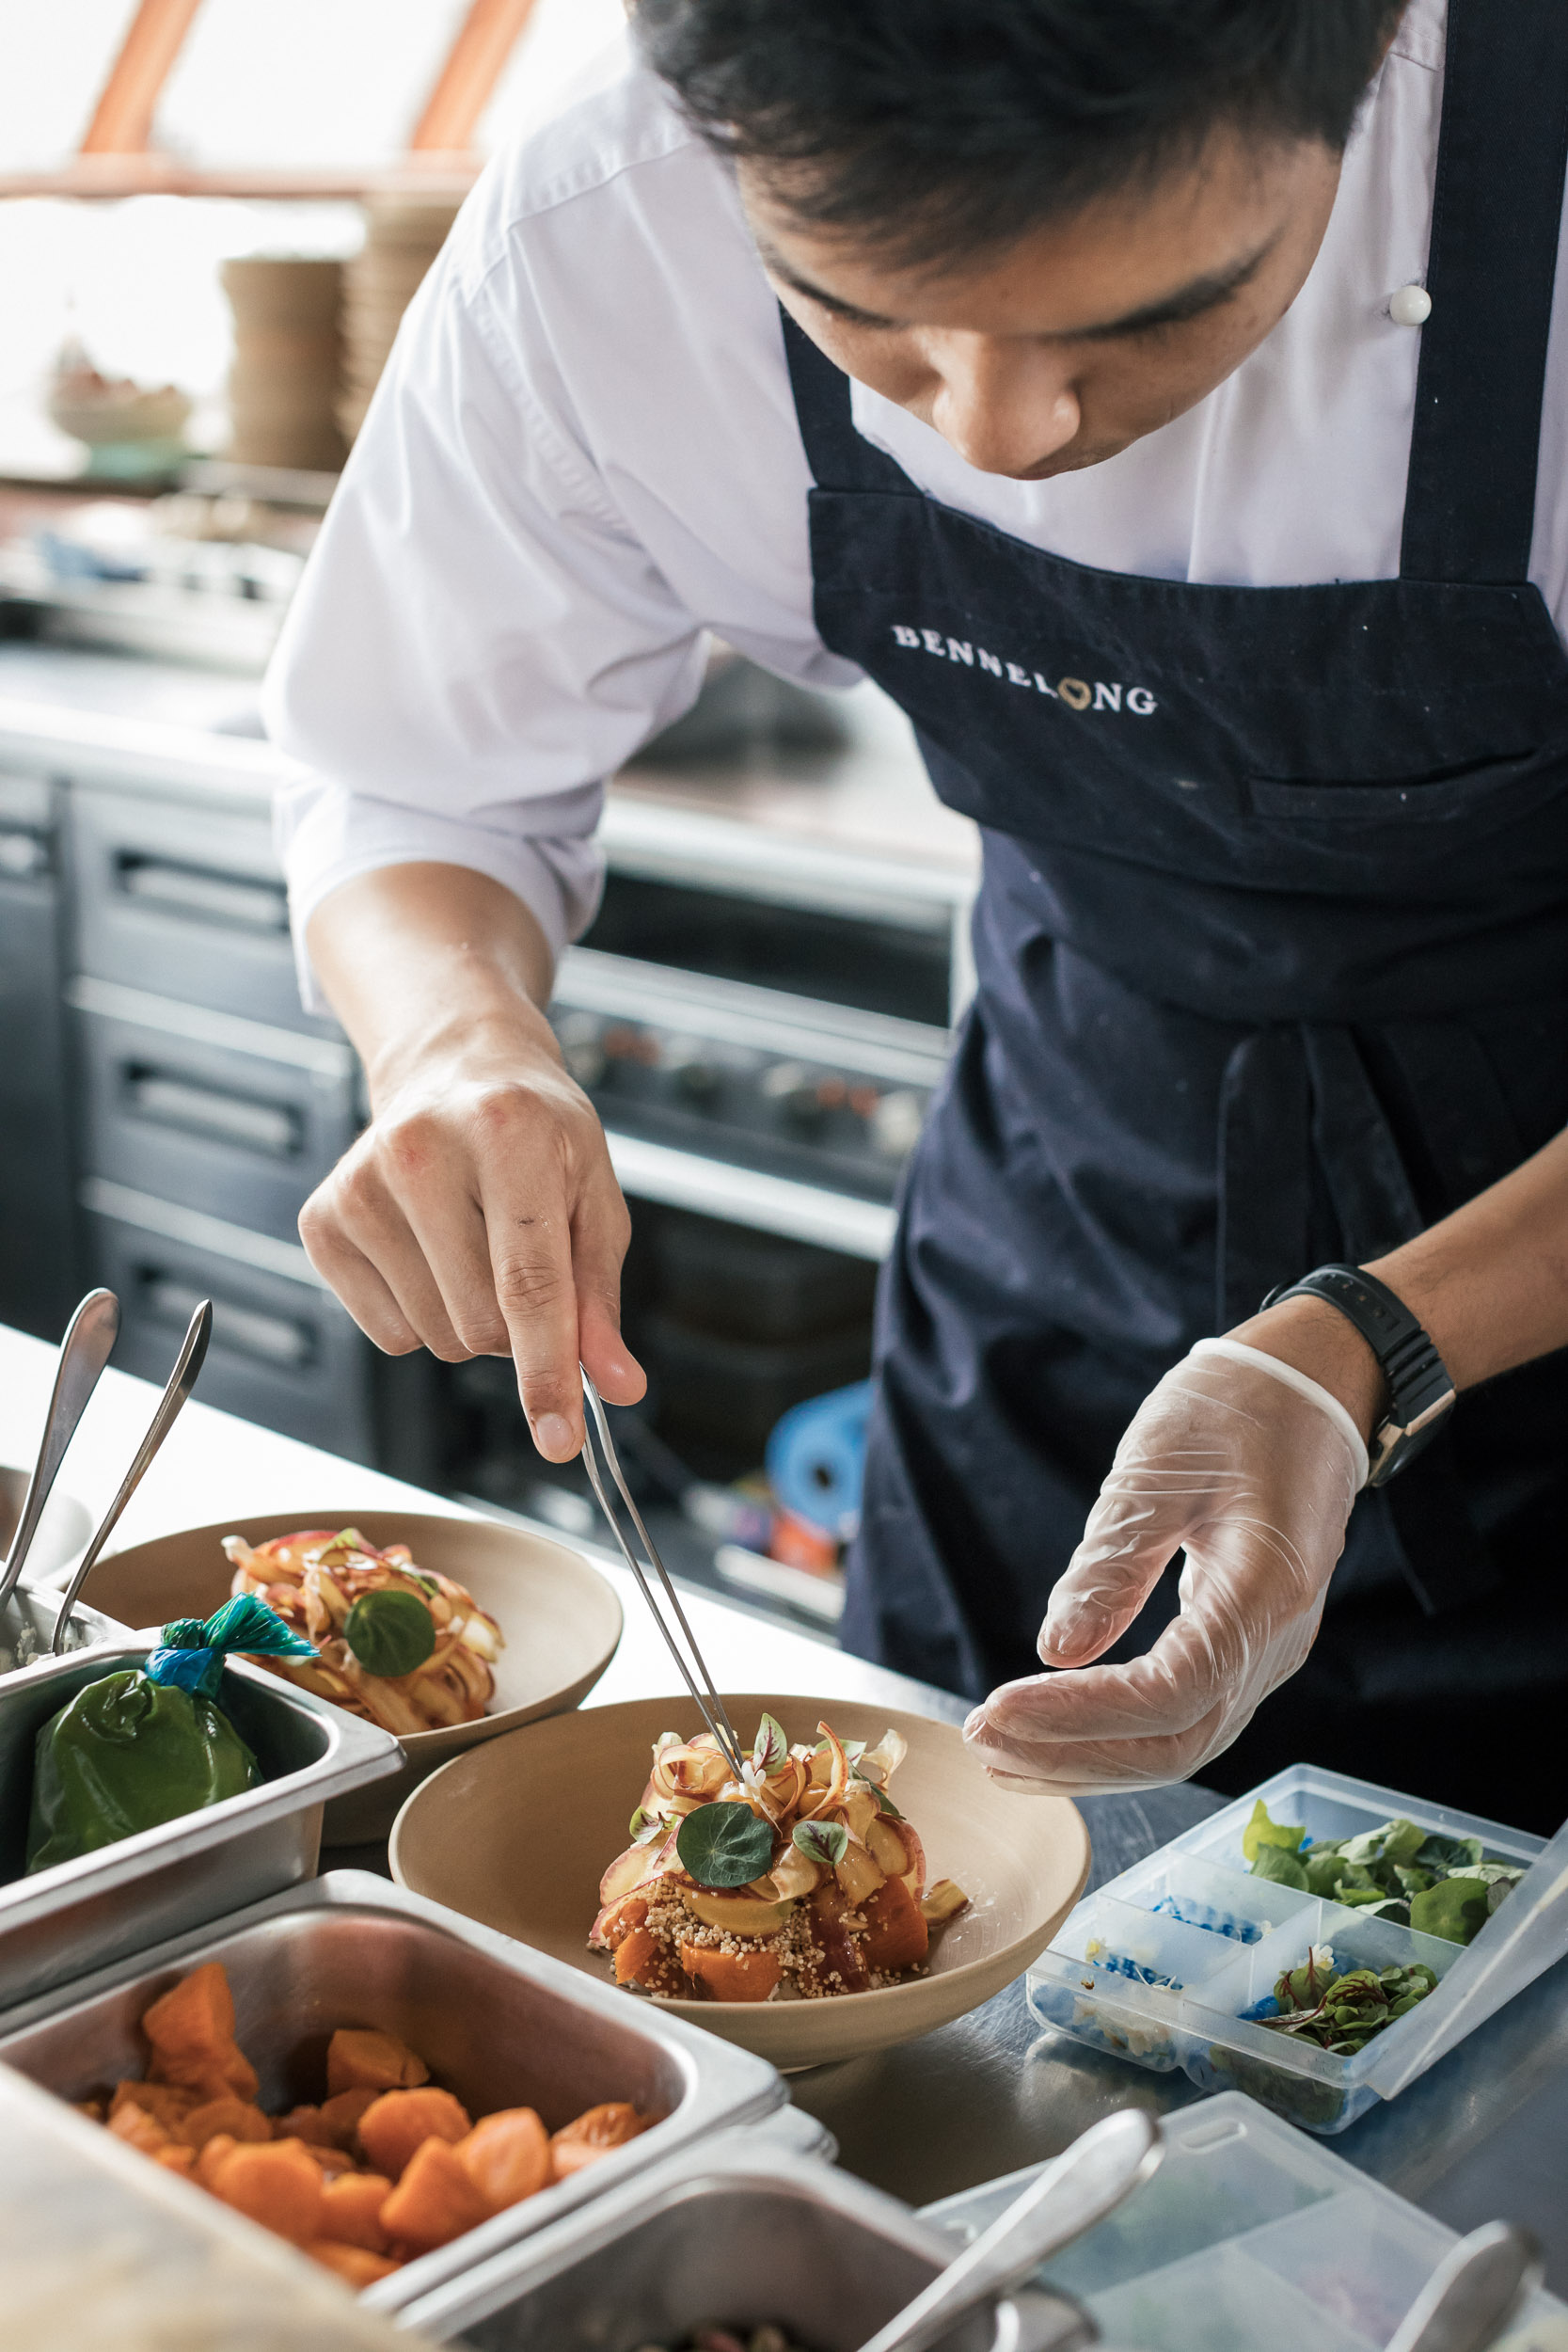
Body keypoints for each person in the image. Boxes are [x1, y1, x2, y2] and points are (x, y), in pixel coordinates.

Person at [266, 0, 1568, 1833]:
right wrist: (455, 1036)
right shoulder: (615, 206)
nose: (1004, 426)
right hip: (1055, 1275)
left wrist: (1372, 1342)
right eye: (863, 314)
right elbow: (411, 774)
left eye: (1149, 315)